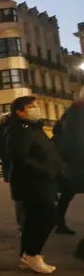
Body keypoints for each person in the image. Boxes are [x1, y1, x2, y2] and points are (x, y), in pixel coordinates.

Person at [7, 96, 65, 274]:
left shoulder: (35, 128)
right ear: (19, 112)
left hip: (43, 180)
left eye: (36, 105)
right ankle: (33, 253)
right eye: (31, 106)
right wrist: (45, 169)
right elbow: (21, 158)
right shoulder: (19, 131)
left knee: (33, 220)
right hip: (32, 182)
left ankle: (27, 255)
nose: (36, 108)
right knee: (48, 216)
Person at [52, 92, 84, 235]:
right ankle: (58, 222)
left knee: (66, 194)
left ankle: (59, 222)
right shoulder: (77, 115)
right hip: (76, 161)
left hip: (70, 162)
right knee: (67, 193)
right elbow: (77, 139)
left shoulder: (70, 114)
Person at [0, 113, 24, 234]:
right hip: (14, 166)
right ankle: (23, 224)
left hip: (10, 166)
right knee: (20, 197)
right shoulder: (9, 129)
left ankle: (22, 224)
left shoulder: (0, 130)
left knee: (19, 197)